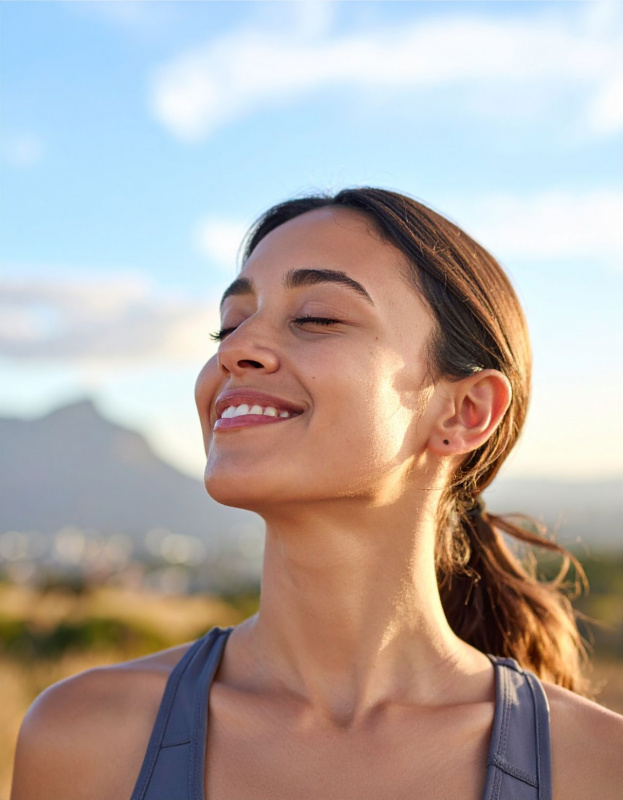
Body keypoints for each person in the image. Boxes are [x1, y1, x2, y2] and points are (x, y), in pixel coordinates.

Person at [11, 187, 623, 800]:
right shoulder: (84, 739)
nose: (234, 348)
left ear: (465, 410)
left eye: (316, 318)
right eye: (229, 324)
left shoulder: (598, 768)